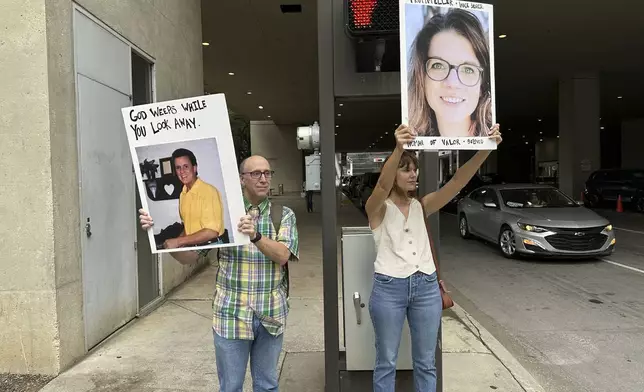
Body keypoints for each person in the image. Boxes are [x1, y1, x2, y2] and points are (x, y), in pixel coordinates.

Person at [139, 154, 299, 392]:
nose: (264, 179)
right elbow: (191, 257)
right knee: (230, 387)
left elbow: (283, 255)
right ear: (242, 179)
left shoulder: (283, 215)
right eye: (256, 173)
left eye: (267, 173)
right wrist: (162, 242)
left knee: (267, 386)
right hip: (230, 314)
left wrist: (255, 236)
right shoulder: (226, 215)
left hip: (270, 316)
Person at [365, 123, 502, 392]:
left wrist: (486, 149)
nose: (413, 174)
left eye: (415, 169)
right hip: (389, 288)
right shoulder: (377, 209)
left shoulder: (422, 205)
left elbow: (457, 182)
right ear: (394, 174)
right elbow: (381, 186)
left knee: (426, 363)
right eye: (407, 169)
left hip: (426, 287)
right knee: (386, 362)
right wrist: (398, 149)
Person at [407, 8, 492, 138]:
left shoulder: (491, 138)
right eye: (438, 66)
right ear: (421, 78)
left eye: (468, 69)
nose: (452, 83)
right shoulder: (413, 138)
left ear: (481, 85)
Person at [162, 148, 225, 250]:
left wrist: (178, 241)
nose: (182, 172)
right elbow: (189, 229)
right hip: (194, 247)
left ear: (194, 168)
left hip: (212, 247)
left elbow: (212, 232)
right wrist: (175, 243)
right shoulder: (183, 194)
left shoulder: (209, 192)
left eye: (186, 166)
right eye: (178, 168)